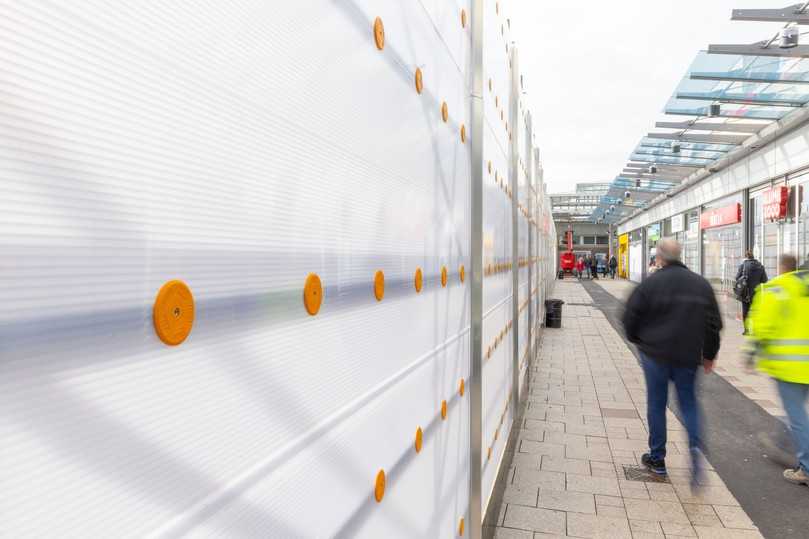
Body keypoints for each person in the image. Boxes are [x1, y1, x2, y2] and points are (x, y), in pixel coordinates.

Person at [622, 237, 722, 486]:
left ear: (660, 257)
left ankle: (657, 460)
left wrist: (638, 340)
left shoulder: (651, 283)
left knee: (657, 404)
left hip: (655, 355)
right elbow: (714, 324)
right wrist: (709, 354)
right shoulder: (701, 285)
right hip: (688, 356)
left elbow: (629, 317)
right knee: (689, 403)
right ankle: (695, 449)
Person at [746, 254, 809, 486]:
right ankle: (784, 446)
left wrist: (751, 352)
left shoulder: (777, 288)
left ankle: (807, 469)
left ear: (781, 268)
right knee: (798, 415)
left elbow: (762, 326)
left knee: (798, 417)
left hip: (790, 366)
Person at [734, 249, 767, 333]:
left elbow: (737, 277)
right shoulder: (760, 266)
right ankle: (755, 330)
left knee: (745, 311)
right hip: (756, 293)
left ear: (745, 257)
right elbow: (764, 280)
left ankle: (747, 330)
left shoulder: (743, 265)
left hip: (746, 292)